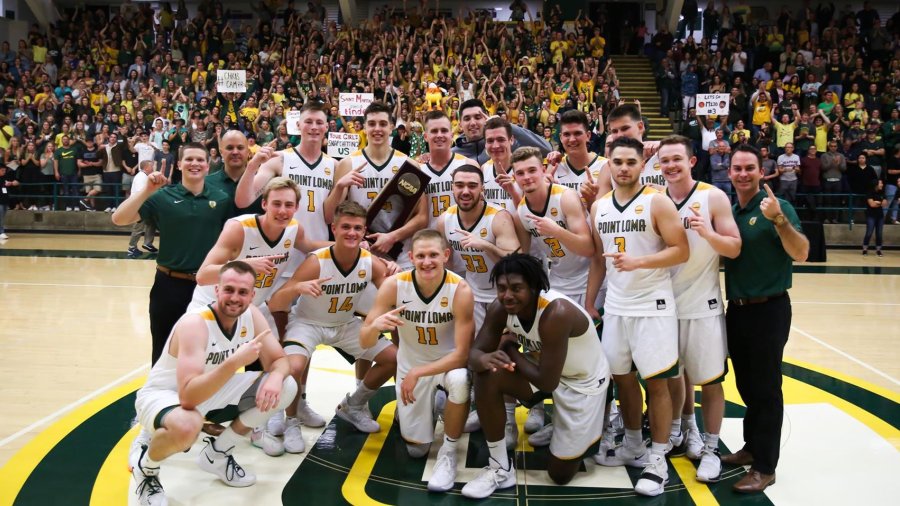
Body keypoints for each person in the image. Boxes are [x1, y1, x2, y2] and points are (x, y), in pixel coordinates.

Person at [130, 261, 297, 506]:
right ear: (216, 290)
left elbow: (281, 360)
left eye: (242, 292)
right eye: (228, 289)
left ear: (252, 295)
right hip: (166, 395)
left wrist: (274, 376)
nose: (235, 297)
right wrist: (235, 361)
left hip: (211, 389)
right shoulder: (195, 324)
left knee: (287, 386)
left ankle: (217, 454)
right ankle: (147, 469)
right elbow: (188, 397)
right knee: (189, 424)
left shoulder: (251, 315)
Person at [187, 177, 328, 454]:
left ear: (296, 208)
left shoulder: (293, 229)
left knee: (277, 366)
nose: (282, 210)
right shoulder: (238, 228)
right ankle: (175, 423)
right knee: (201, 375)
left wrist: (354, 244)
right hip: (212, 308)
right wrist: (244, 263)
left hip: (253, 308)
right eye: (276, 203)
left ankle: (258, 425)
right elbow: (203, 275)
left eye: (289, 205)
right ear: (264, 204)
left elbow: (310, 244)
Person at [585, 136, 688, 497]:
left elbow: (681, 250)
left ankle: (657, 459)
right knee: (621, 378)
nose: (624, 168)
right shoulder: (599, 208)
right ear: (608, 165)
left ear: (642, 164)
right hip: (616, 305)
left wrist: (640, 261)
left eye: (631, 162)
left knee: (656, 383)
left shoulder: (657, 203)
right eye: (618, 162)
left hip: (652, 305)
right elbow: (599, 258)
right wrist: (589, 301)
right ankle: (632, 444)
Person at [463, 253, 610, 499]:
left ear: (534, 288)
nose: (507, 295)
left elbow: (546, 382)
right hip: (544, 368)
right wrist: (485, 359)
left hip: (582, 382)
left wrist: (508, 348)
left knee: (559, 476)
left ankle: (596, 422)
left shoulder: (557, 313)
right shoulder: (501, 307)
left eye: (516, 288)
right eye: (501, 288)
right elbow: (475, 354)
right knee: (487, 373)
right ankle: (500, 467)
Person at [267, 201, 398, 448]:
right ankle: (292, 421)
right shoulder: (317, 261)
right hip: (308, 323)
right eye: (345, 227)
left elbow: (392, 291)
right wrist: (297, 287)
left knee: (393, 358)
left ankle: (354, 405)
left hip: (344, 324)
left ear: (364, 231)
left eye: (357, 228)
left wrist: (394, 271)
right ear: (334, 228)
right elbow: (276, 301)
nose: (351, 233)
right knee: (294, 366)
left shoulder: (369, 262)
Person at [360, 229, 475, 493]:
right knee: (416, 450)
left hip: (446, 365)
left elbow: (462, 354)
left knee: (460, 380)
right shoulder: (394, 285)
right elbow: (365, 343)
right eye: (420, 256)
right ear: (410, 257)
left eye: (433, 255)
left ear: (446, 255)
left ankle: (448, 450)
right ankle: (431, 406)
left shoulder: (460, 289)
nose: (427, 262)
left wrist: (418, 372)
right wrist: (374, 326)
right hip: (411, 367)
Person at [723, 144, 809, 493]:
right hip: (738, 308)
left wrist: (778, 218)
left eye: (749, 168)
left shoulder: (777, 207)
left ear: (762, 172)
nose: (743, 174)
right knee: (746, 386)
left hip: (769, 309)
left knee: (767, 389)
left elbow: (801, 252)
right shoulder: (731, 213)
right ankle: (751, 447)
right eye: (737, 168)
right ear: (729, 173)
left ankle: (765, 466)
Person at [659, 135, 742, 483]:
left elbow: (734, 247)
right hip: (662, 305)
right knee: (671, 377)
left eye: (678, 159)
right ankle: (681, 429)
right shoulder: (653, 201)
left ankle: (710, 448)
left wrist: (708, 233)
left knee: (709, 381)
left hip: (702, 304)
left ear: (692, 162)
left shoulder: (713, 197)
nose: (671, 166)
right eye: (665, 161)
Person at [112, 143, 234, 366]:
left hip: (207, 287)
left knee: (208, 350)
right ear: (179, 164)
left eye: (200, 160)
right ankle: (163, 399)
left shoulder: (222, 199)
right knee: (163, 350)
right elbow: (119, 219)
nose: (194, 164)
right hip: (169, 285)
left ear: (208, 166)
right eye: (189, 159)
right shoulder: (162, 197)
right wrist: (148, 190)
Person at [324, 101, 426, 270]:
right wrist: (340, 187)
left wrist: (392, 237)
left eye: (383, 124)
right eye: (371, 124)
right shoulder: (348, 164)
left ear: (391, 127)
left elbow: (421, 217)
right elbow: (329, 216)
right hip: (360, 251)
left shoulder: (409, 165)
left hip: (399, 255)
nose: (377, 129)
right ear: (364, 127)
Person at [421, 110, 478, 228]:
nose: (439, 135)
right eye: (434, 131)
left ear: (452, 135)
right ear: (425, 136)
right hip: (431, 241)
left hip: (462, 241)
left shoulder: (469, 165)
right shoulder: (419, 170)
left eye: (444, 130)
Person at [452, 99, 551, 165]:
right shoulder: (452, 155)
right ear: (460, 124)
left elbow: (546, 149)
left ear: (486, 118)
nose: (473, 123)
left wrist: (505, 125)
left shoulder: (506, 146)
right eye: (467, 119)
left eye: (478, 117)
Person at [126, 161, 158, 257]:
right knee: (138, 227)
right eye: (151, 166)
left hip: (144, 205)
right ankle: (131, 248)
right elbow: (141, 193)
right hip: (139, 205)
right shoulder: (141, 177)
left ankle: (147, 243)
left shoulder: (145, 176)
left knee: (152, 222)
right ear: (147, 167)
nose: (153, 168)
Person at [862, 180, 886, 256]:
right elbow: (872, 204)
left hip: (880, 216)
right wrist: (879, 203)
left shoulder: (882, 193)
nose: (882, 185)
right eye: (880, 183)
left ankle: (878, 250)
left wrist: (878, 203)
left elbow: (885, 203)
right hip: (871, 215)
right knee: (869, 232)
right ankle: (865, 249)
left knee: (879, 233)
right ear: (876, 184)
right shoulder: (870, 192)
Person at [0, 164, 17, 239]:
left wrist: (12, 183)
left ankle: (1, 231)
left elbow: (16, 182)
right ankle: (1, 232)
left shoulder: (5, 177)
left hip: (5, 200)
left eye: (4, 170)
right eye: (2, 170)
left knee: (2, 217)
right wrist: (5, 184)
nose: (4, 172)